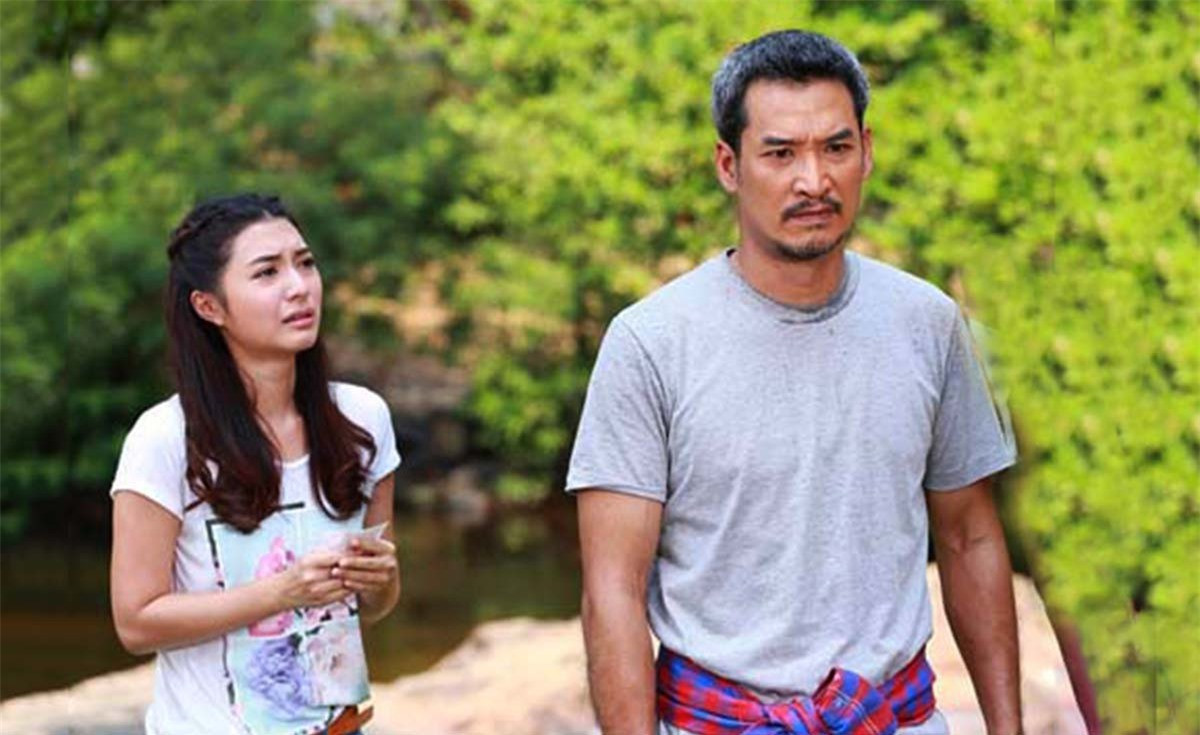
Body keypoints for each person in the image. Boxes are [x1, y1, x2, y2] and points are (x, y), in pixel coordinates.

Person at [568, 30, 1022, 735]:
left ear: (866, 151)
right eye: (780, 153)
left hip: (893, 719)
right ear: (729, 164)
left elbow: (970, 539)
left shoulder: (929, 324)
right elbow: (612, 589)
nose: (813, 180)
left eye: (835, 148)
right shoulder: (650, 343)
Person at [110, 193, 401, 735]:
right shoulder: (166, 439)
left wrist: (378, 579)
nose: (299, 287)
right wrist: (283, 591)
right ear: (209, 307)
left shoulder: (362, 420)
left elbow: (375, 602)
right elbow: (136, 623)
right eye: (267, 272)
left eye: (305, 263)